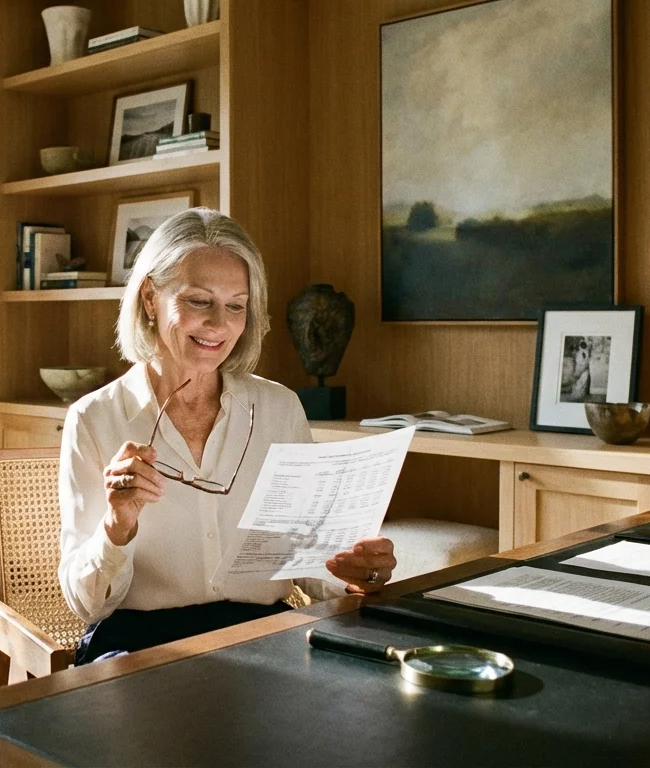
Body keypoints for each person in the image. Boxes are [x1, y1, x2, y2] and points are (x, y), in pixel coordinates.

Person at [57, 208, 398, 665]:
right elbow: (88, 604)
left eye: (236, 305)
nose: (220, 325)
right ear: (149, 298)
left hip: (264, 638)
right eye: (199, 301)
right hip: (142, 648)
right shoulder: (94, 419)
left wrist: (360, 574)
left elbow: (312, 564)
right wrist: (117, 527)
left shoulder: (279, 410)